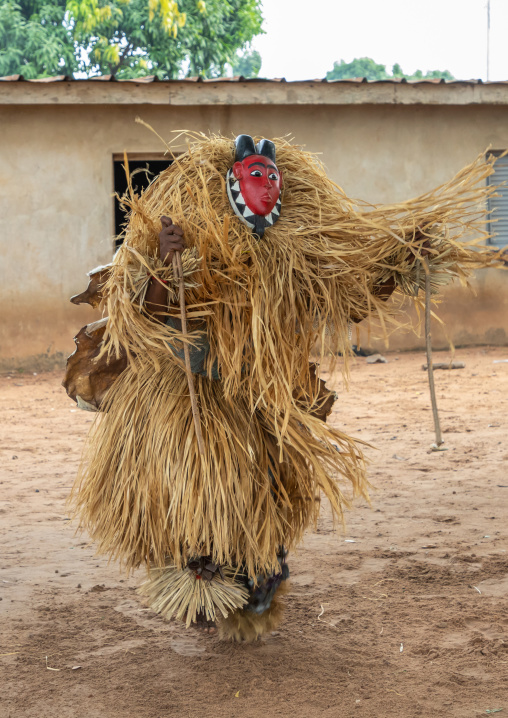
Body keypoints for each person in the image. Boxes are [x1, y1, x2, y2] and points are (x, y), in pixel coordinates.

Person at [67, 133, 497, 640]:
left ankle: (253, 589)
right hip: (191, 397)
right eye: (255, 177)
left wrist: (404, 263)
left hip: (261, 400)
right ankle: (201, 573)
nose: (266, 186)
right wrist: (166, 262)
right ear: (230, 184)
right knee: (202, 494)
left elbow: (349, 298)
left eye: (273, 177)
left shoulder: (295, 255)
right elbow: (148, 315)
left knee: (262, 499)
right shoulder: (193, 245)